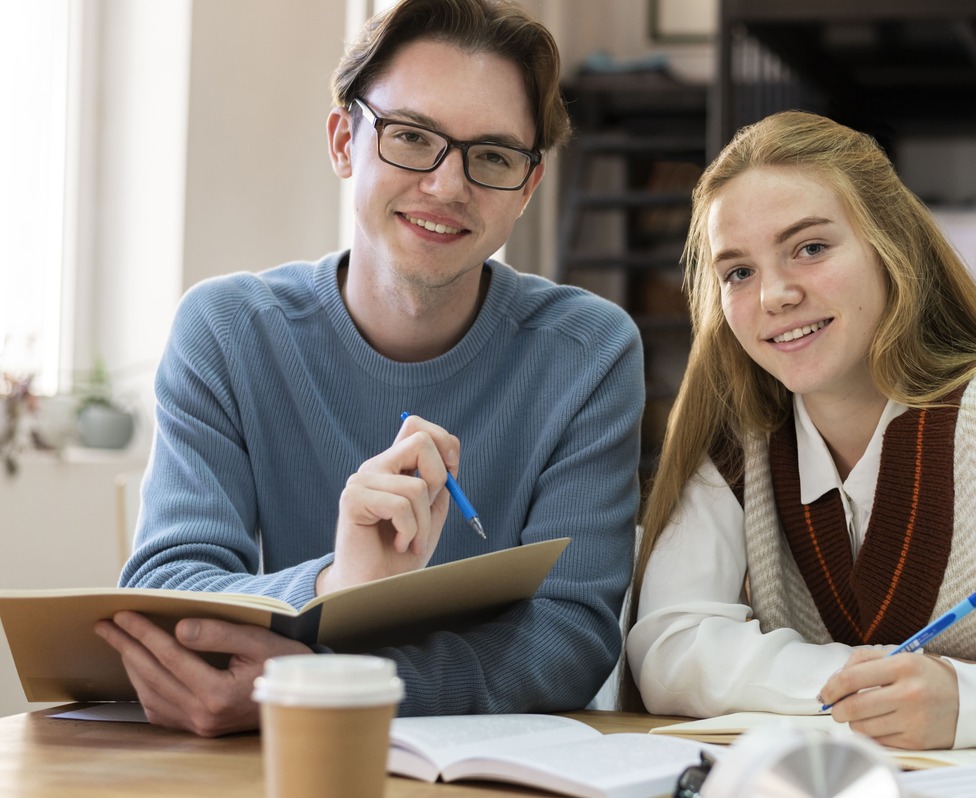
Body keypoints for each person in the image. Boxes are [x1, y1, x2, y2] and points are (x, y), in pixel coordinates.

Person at [95, 0, 643, 737]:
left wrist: (318, 683)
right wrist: (339, 583)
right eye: (412, 137)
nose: (449, 187)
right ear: (343, 142)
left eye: (492, 156)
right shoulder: (226, 330)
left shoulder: (592, 351)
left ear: (528, 187)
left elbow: (571, 639)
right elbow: (167, 590)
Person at [624, 110, 976, 760]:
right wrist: (875, 689)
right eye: (738, 272)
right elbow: (670, 648)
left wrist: (972, 705)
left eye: (811, 247)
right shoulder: (739, 434)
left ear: (892, 248)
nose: (773, 294)